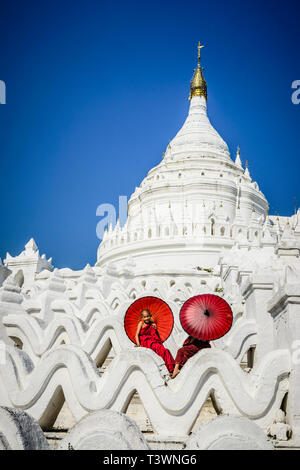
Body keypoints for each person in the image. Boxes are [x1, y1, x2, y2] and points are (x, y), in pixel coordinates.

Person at [135, 309, 174, 374]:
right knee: (162, 350)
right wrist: (138, 344)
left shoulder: (152, 324)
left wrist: (155, 329)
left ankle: (171, 368)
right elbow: (137, 334)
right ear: (142, 318)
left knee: (165, 351)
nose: (146, 318)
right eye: (144, 317)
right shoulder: (141, 323)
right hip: (146, 342)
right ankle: (170, 369)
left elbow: (157, 336)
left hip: (153, 341)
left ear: (150, 316)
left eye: (148, 316)